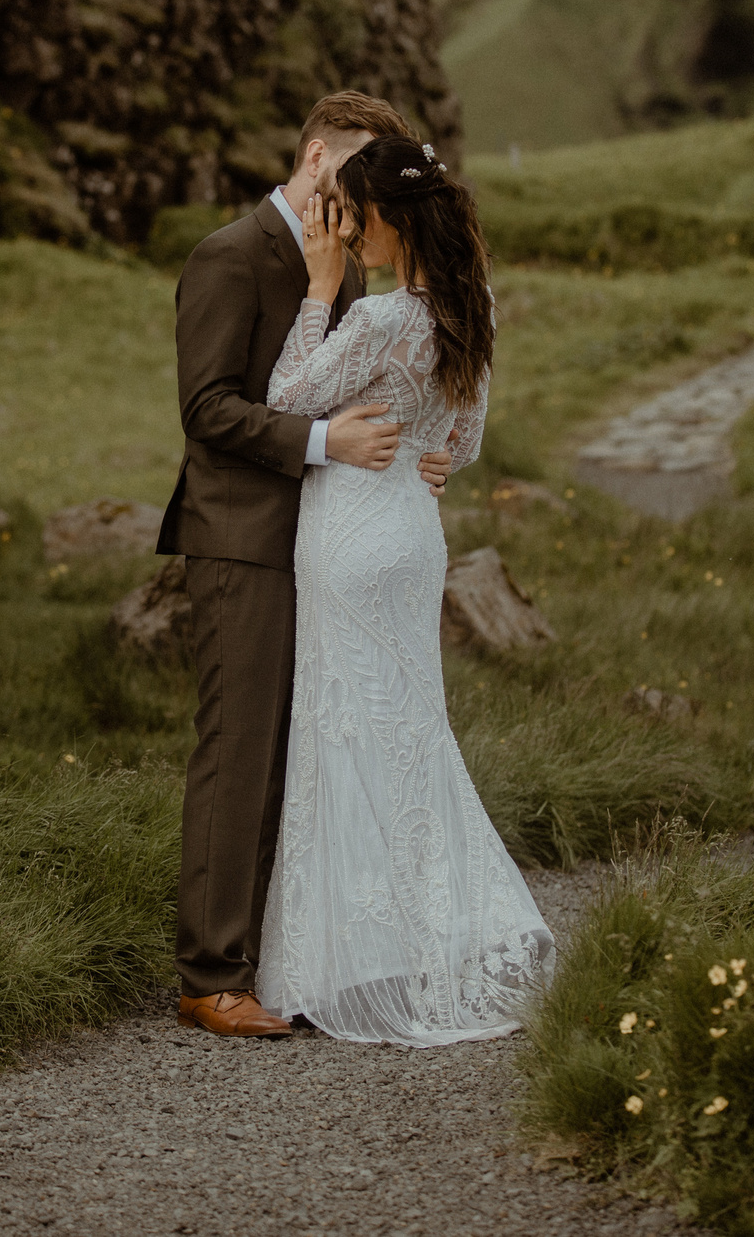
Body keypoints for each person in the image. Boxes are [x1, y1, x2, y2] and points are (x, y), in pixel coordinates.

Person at [158, 92, 454, 1039]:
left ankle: (285, 957)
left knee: (306, 753)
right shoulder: (229, 255)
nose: (364, 192)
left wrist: (418, 454)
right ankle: (210, 976)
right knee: (240, 748)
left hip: (329, 544)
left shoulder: (350, 267)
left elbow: (364, 386)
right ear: (317, 153)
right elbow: (208, 410)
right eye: (357, 168)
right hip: (242, 536)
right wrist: (327, 441)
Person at [255, 133, 553, 1046]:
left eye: (352, 215)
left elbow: (284, 395)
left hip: (349, 537)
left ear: (384, 217)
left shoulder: (383, 318)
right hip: (413, 536)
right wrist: (426, 459)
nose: (346, 230)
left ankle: (333, 961)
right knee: (409, 733)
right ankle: (431, 933)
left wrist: (316, 286)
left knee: (341, 731)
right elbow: (458, 447)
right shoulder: (472, 308)